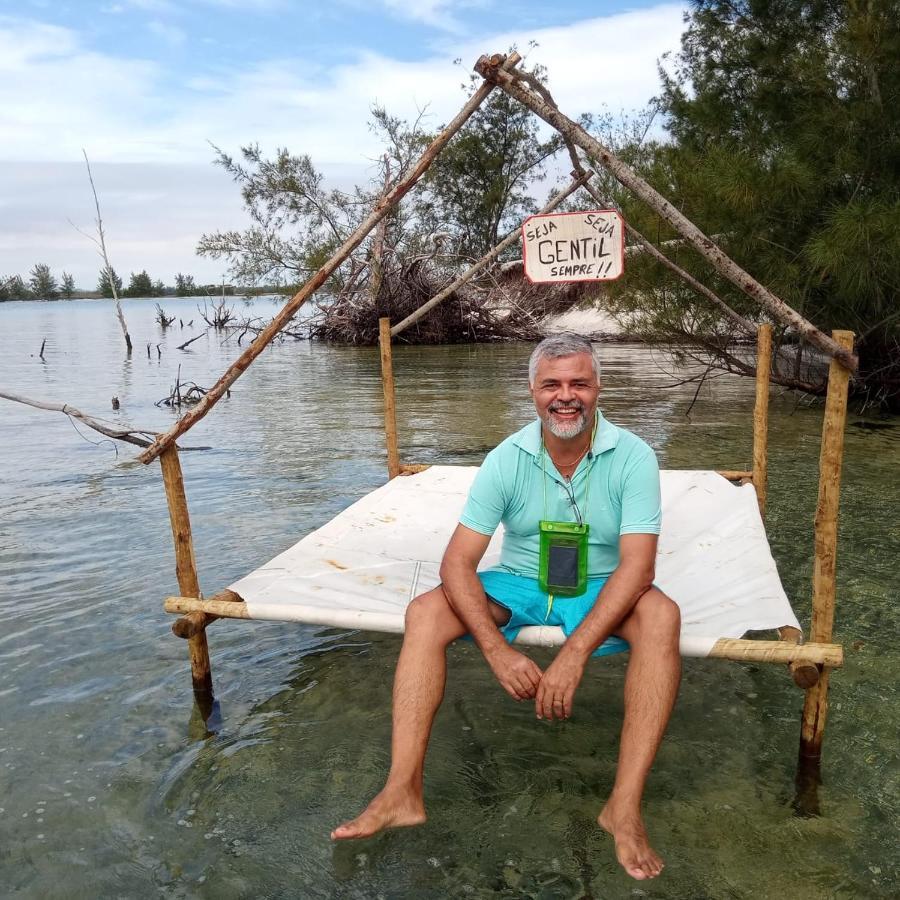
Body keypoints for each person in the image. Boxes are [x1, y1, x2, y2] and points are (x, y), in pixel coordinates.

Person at [332, 333, 681, 881]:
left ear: (598, 388)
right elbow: (456, 564)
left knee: (662, 614)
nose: (566, 397)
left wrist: (573, 655)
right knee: (425, 612)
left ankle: (624, 808)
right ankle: (403, 788)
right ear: (532, 392)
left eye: (579, 384)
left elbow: (639, 567)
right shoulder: (507, 458)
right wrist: (496, 652)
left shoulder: (632, 456)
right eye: (552, 385)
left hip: (598, 583)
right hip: (520, 580)